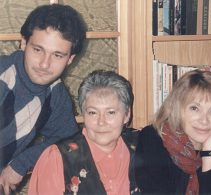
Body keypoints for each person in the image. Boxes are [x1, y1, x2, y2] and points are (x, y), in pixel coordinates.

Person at [0, 4, 87, 194]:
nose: (45, 64)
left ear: (70, 59)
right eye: (38, 50)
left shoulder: (56, 96)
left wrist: (21, 164)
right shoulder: (3, 74)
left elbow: (69, 141)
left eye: (57, 55)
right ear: (23, 43)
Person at [134, 70, 211, 194]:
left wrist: (208, 154)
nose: (204, 120)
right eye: (194, 108)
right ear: (177, 109)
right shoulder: (152, 140)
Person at [28, 70, 140, 195]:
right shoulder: (57, 158)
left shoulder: (145, 148)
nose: (101, 122)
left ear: (127, 115)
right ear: (83, 114)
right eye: (93, 112)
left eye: (111, 112)